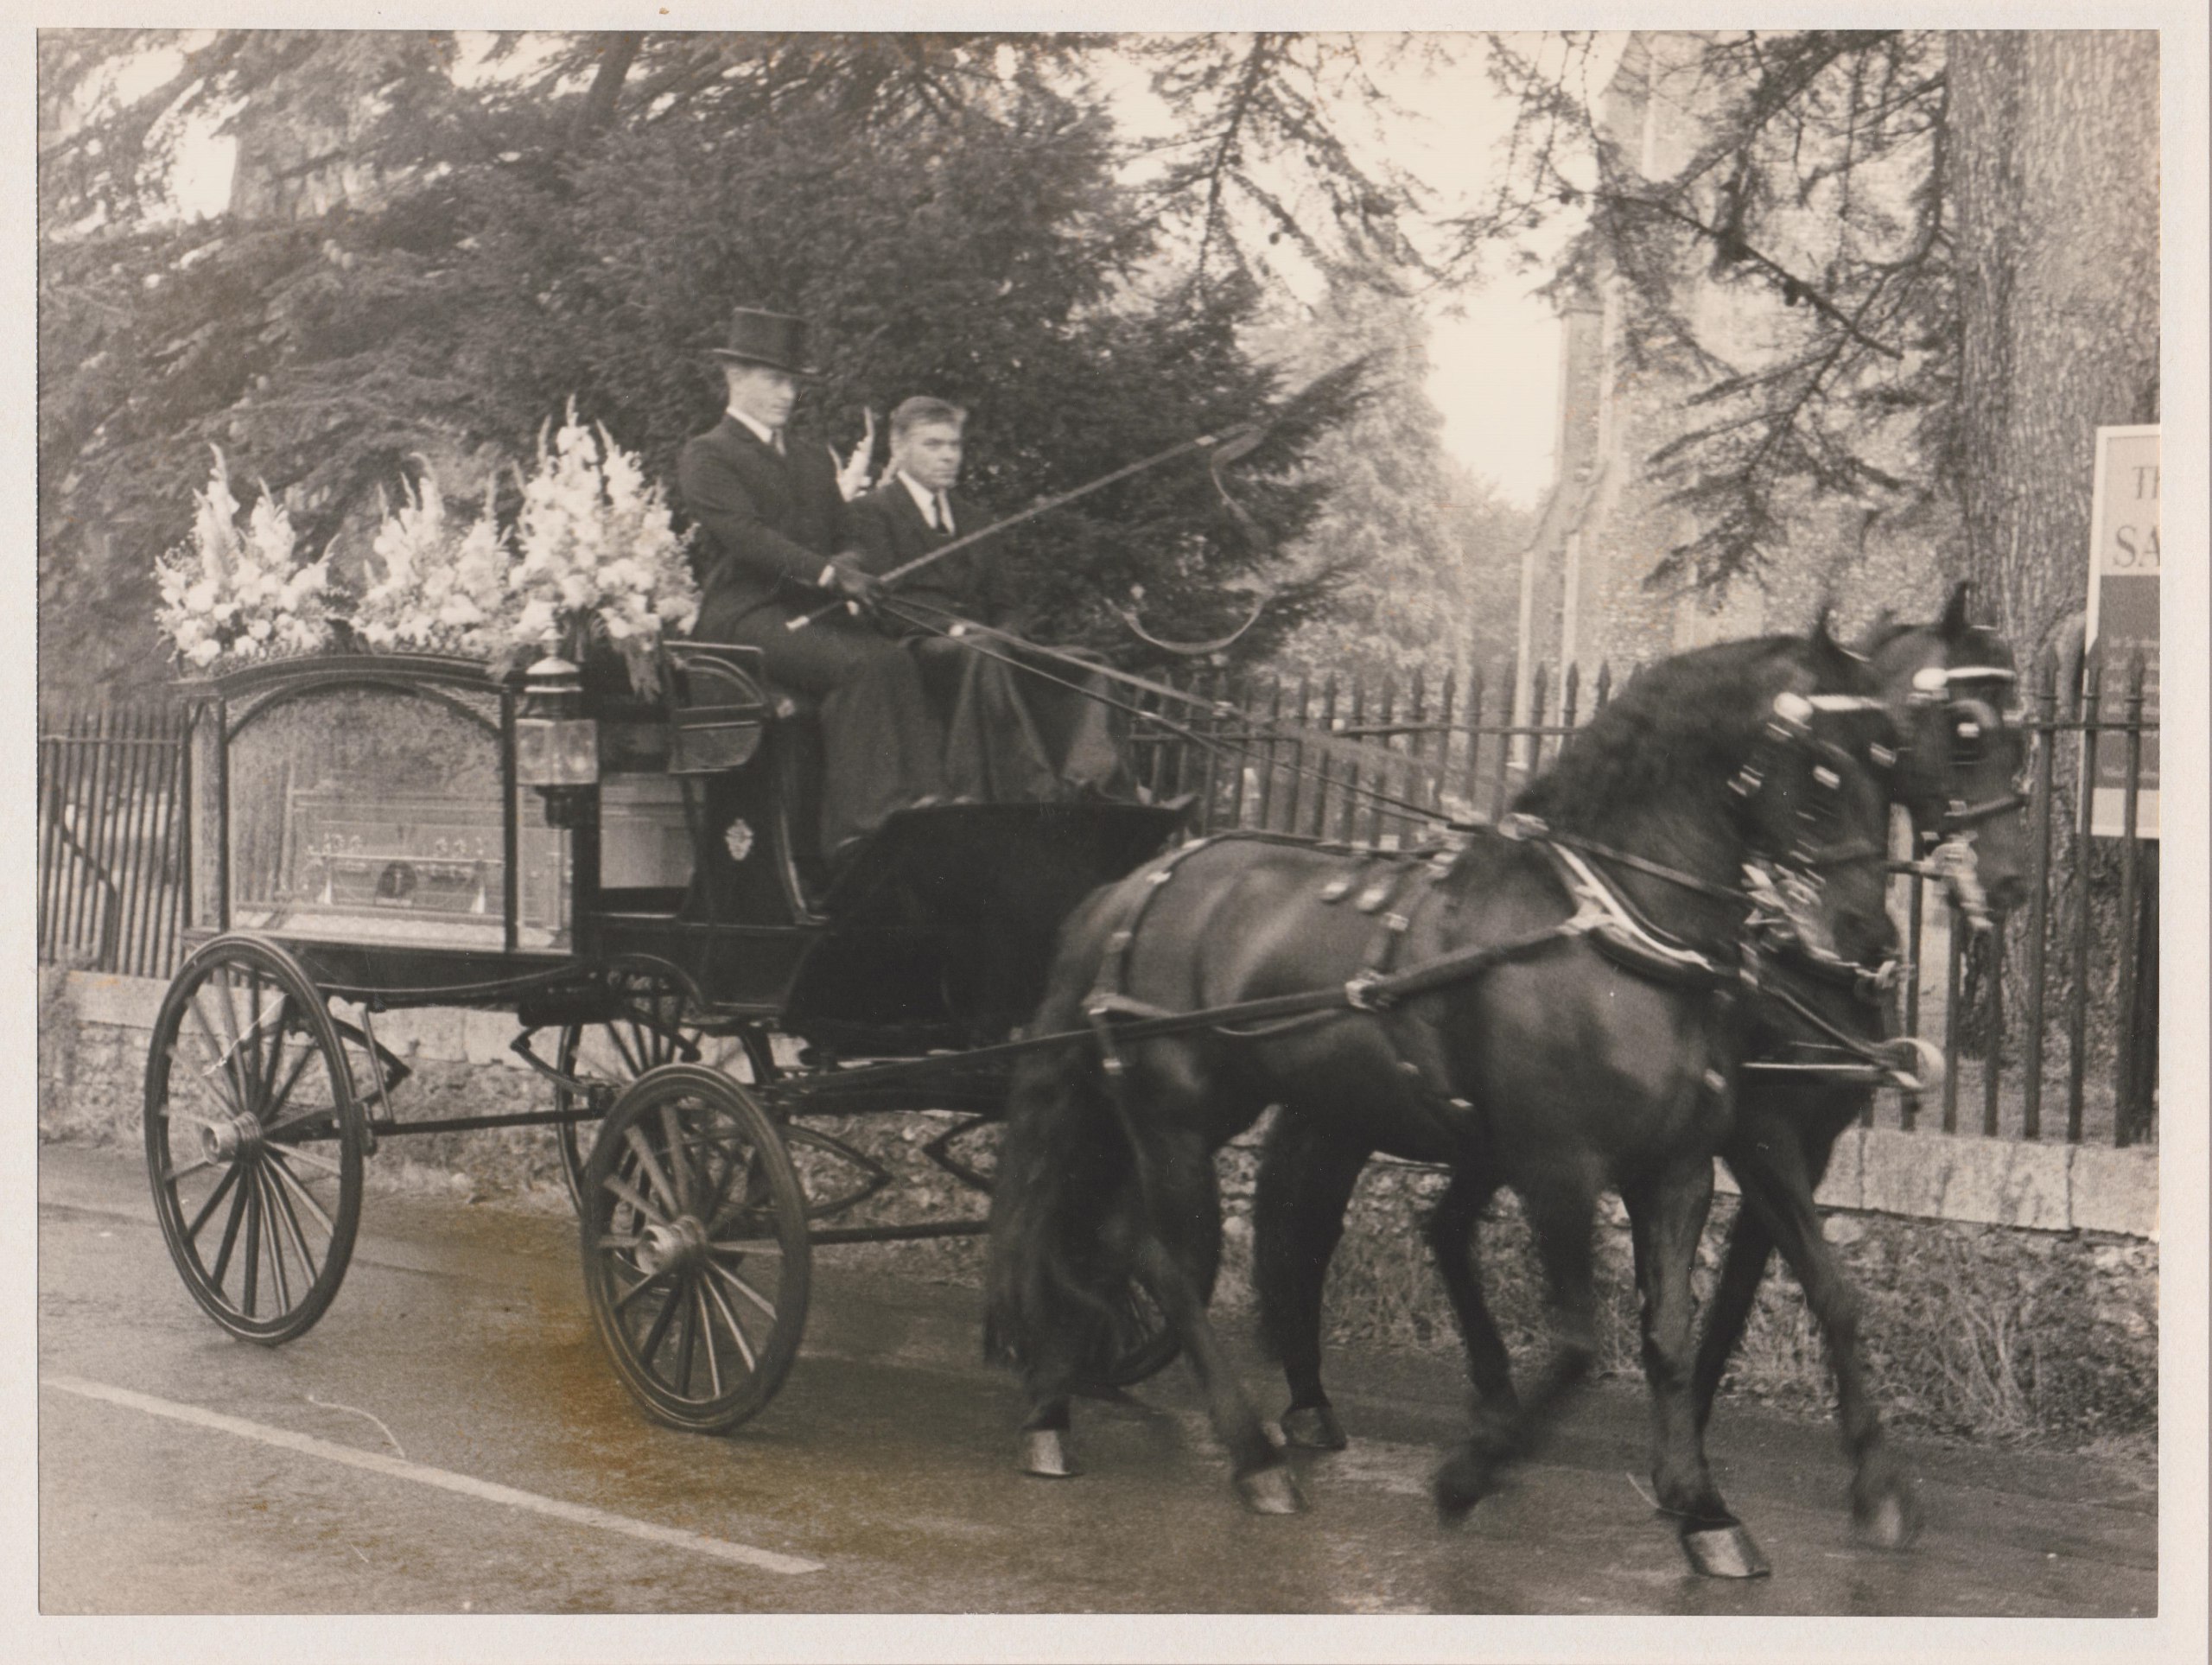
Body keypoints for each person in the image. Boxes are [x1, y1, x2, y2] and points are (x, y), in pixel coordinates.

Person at [677, 309, 945, 874]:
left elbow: (846, 529)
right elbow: (748, 539)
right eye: (776, 379)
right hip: (744, 615)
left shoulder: (807, 456)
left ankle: (925, 812)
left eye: (794, 381)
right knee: (860, 665)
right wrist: (828, 574)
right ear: (737, 378)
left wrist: (849, 561)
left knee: (894, 658)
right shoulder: (708, 453)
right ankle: (859, 835)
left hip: (809, 612)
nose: (788, 393)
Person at [849, 397, 1134, 803]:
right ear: (899, 447)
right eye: (934, 445)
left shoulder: (975, 520)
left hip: (987, 643)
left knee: (1090, 665)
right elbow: (884, 603)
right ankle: (1030, 793)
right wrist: (957, 629)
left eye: (955, 445)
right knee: (985, 652)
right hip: (920, 646)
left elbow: (1006, 600)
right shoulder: (870, 513)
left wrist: (1007, 632)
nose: (949, 456)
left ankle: (1097, 791)